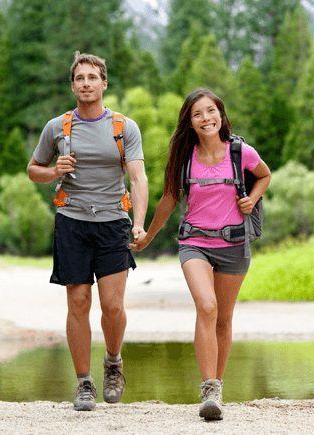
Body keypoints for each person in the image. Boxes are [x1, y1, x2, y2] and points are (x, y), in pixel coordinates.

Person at [130, 88, 271, 420]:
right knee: (206, 306)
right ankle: (208, 387)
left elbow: (264, 175)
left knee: (223, 317)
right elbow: (169, 199)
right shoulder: (185, 157)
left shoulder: (241, 152)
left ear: (220, 115)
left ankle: (217, 389)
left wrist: (251, 197)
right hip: (194, 242)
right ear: (189, 123)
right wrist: (149, 235)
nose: (206, 118)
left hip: (235, 244)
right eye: (198, 114)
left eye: (211, 111)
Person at [27, 52, 148, 411]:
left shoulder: (124, 127)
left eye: (92, 77)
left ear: (104, 83)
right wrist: (53, 172)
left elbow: (138, 178)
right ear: (72, 85)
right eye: (79, 78)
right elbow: (34, 169)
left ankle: (113, 362)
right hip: (72, 222)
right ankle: (83, 383)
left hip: (113, 222)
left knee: (112, 306)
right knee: (78, 301)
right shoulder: (57, 128)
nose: (86, 83)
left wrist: (139, 222)